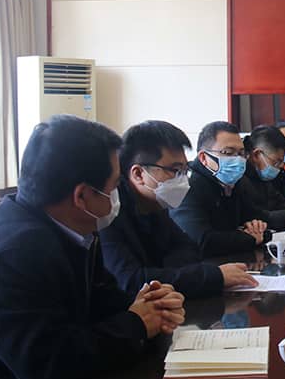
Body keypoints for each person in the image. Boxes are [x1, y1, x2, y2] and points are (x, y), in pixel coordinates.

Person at [0, 115, 185, 379]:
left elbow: (105, 299)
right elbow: (46, 362)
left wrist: (152, 305)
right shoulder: (17, 250)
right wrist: (137, 323)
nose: (118, 197)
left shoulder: (73, 229)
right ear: (82, 196)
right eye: (113, 188)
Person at [100, 120, 257, 298]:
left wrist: (163, 273)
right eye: (175, 170)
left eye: (184, 170)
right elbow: (131, 281)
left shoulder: (155, 204)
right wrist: (213, 276)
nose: (182, 180)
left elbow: (189, 249)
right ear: (138, 174)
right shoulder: (107, 211)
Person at [169, 121, 268, 258]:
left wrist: (258, 228)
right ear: (204, 158)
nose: (237, 159)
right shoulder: (186, 186)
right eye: (228, 152)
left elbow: (255, 218)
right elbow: (203, 240)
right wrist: (250, 239)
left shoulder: (235, 182)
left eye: (241, 153)